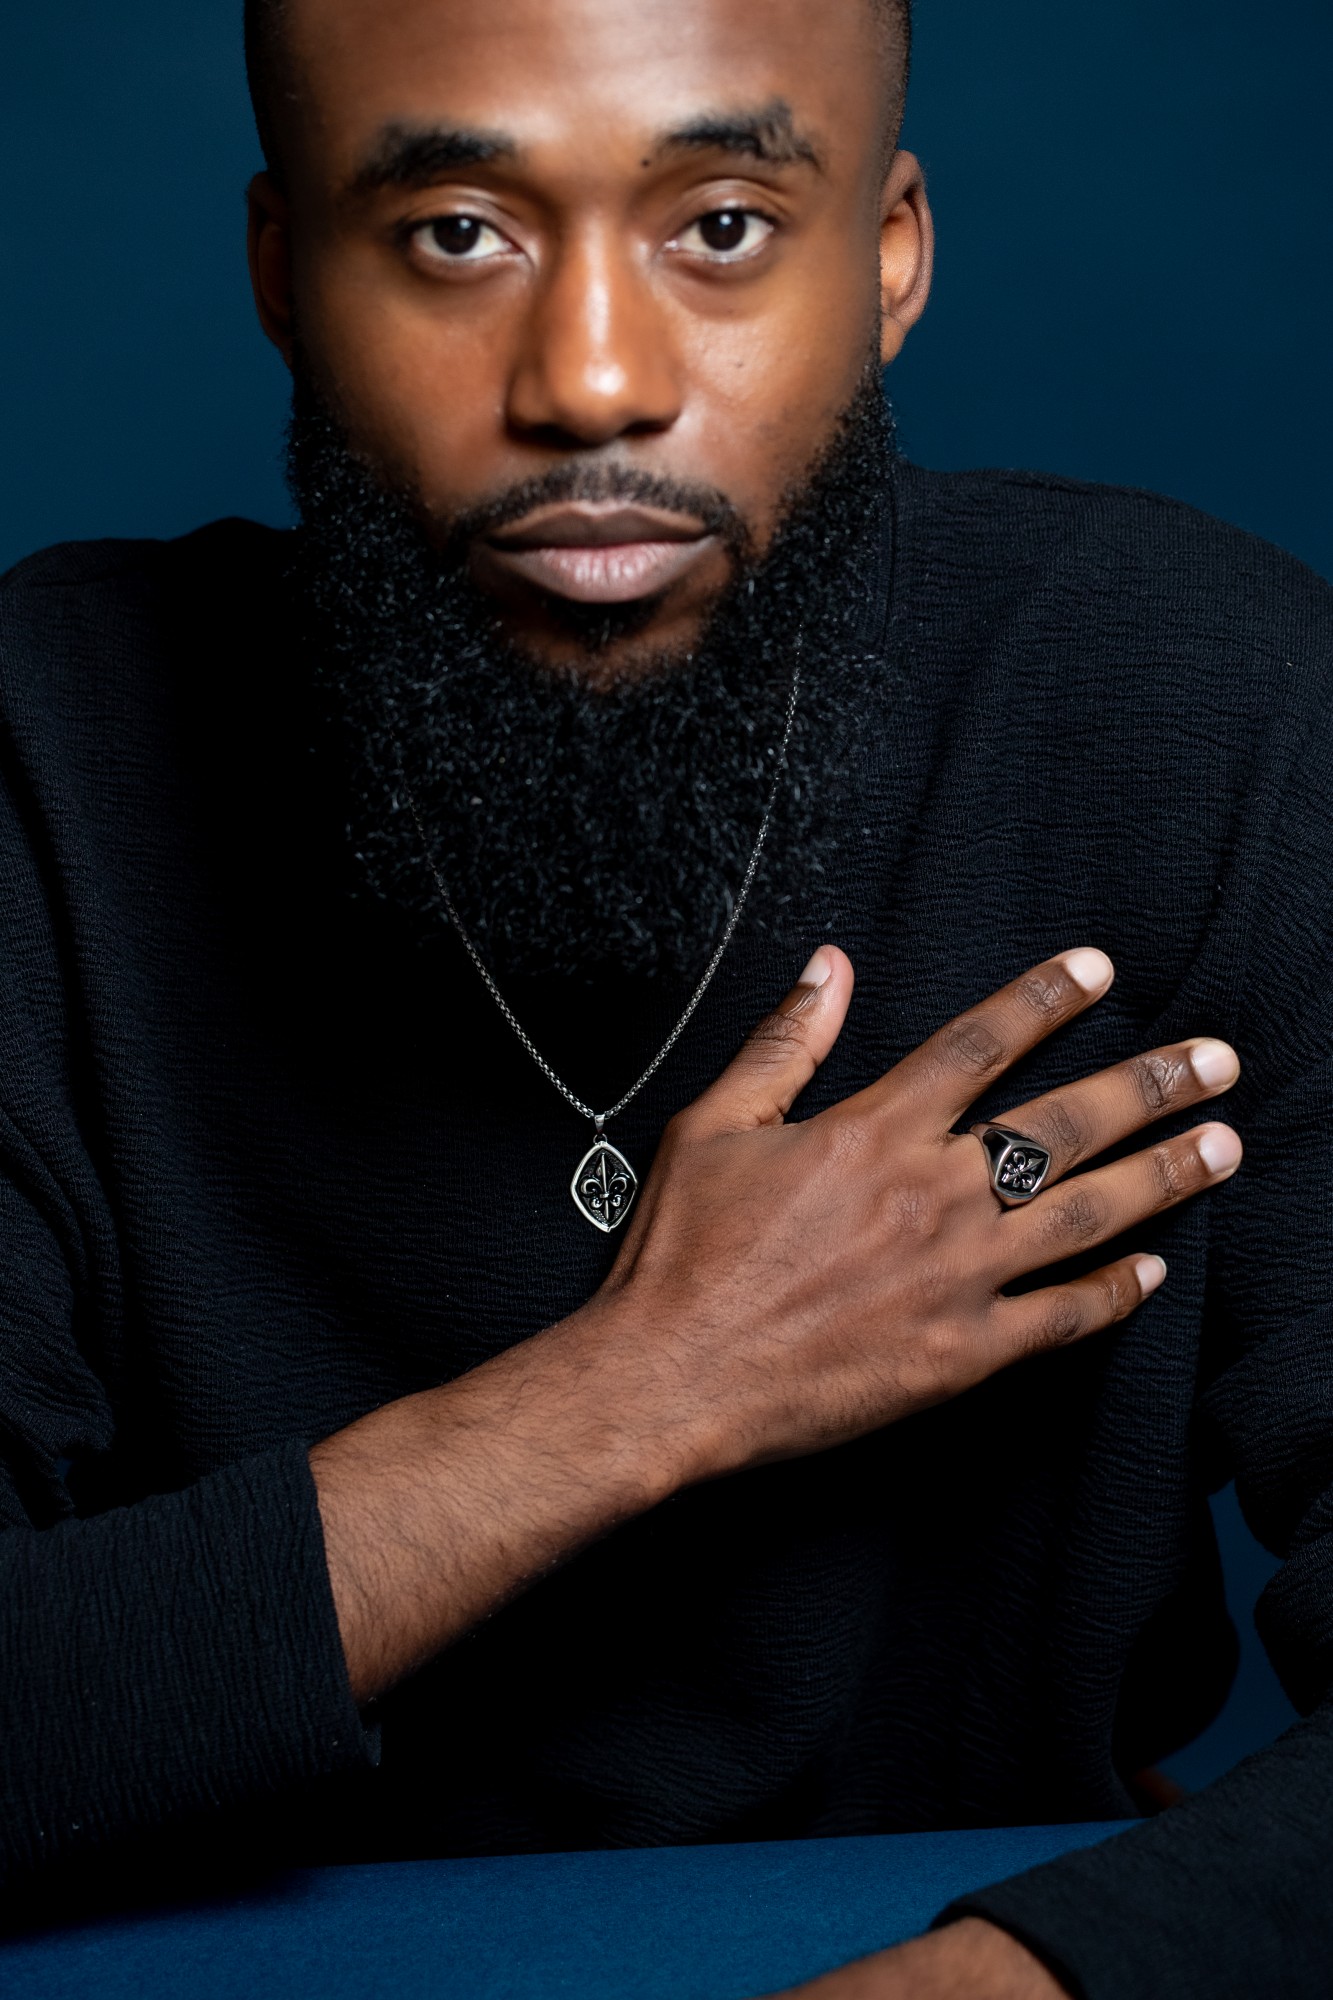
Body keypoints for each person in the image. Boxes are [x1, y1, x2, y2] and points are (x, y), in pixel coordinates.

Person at [2, 0, 1331, 1991]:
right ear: (286, 273)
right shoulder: (42, 756)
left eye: (720, 225)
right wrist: (649, 1384)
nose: (594, 382)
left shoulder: (1207, 710)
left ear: (887, 261)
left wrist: (1020, 1978)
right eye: (456, 231)